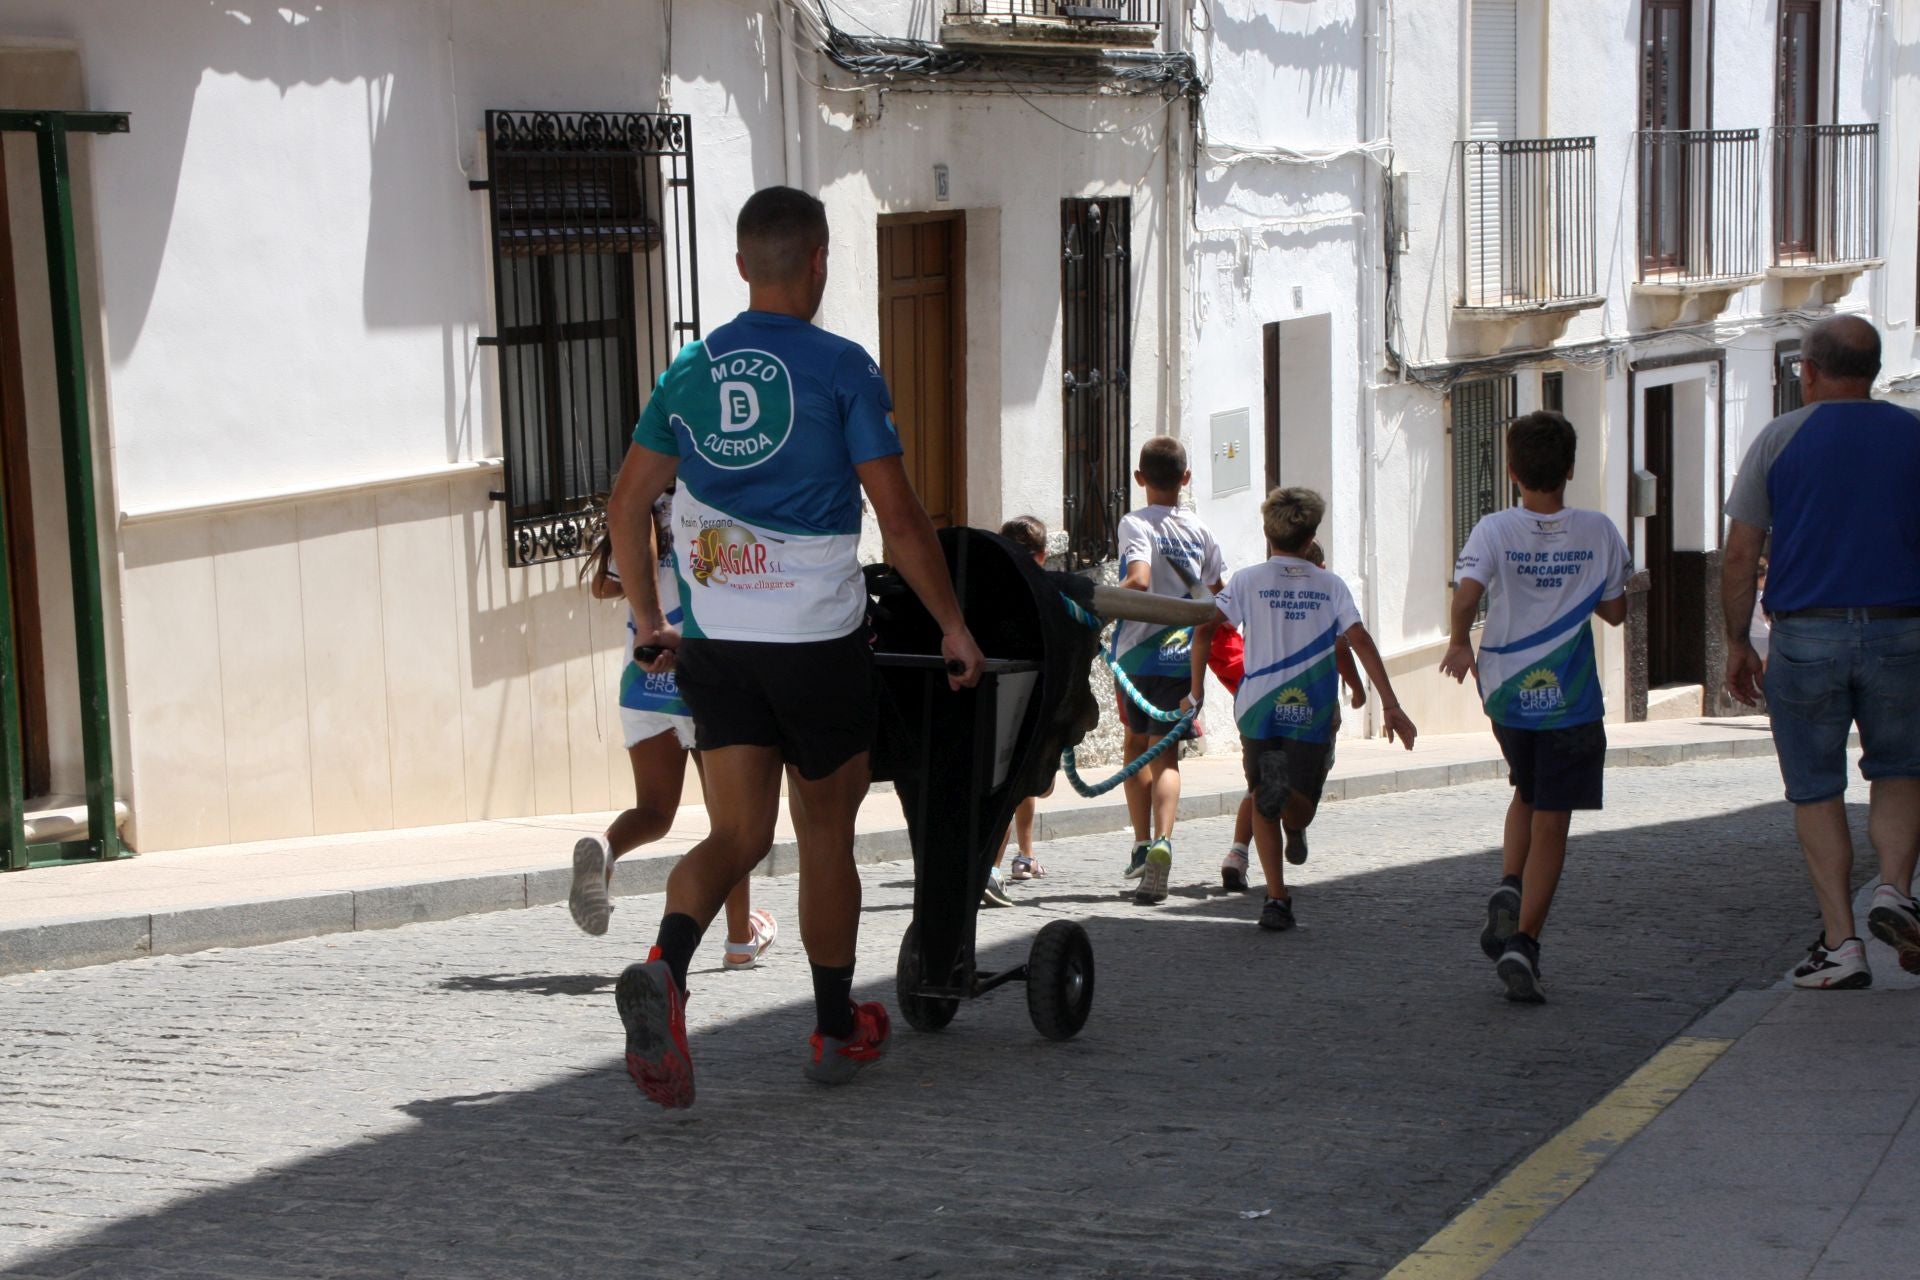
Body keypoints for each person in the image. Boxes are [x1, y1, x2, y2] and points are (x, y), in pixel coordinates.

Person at [605, 185, 986, 1108]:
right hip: (817, 641)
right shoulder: (843, 369)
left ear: (741, 265)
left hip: (718, 643)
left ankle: (667, 964)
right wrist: (951, 624)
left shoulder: (688, 372)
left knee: (736, 832)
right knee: (826, 832)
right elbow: (897, 521)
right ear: (820, 261)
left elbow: (624, 510)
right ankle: (831, 1027)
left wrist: (655, 623)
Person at [1722, 315, 1920, 990]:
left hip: (1806, 635)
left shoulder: (1779, 439)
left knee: (1816, 787)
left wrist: (1735, 641)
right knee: (1900, 769)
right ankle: (1894, 888)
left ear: (1807, 370)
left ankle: (1843, 941)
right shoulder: (1913, 436)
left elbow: (1742, 551)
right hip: (1903, 629)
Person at [1441, 411, 1629, 1003]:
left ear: (1512, 470)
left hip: (1505, 693)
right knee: (1554, 818)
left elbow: (1467, 595)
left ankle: (1509, 881)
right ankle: (1525, 942)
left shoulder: (1494, 529)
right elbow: (1618, 611)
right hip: (1571, 700)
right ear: (1570, 469)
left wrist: (1457, 642)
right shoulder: (1598, 531)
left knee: (1525, 788)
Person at [1189, 488, 1416, 930]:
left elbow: (1203, 629)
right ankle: (1276, 898)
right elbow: (1361, 640)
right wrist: (1390, 703)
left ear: (1267, 531)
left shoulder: (1289, 582)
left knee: (1295, 806)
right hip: (1279, 710)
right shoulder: (1281, 582)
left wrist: (1195, 689)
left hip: (1288, 709)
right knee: (1264, 797)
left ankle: (1295, 828)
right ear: (1311, 536)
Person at [567, 497, 777, 971]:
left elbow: (604, 585)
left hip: (642, 680)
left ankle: (604, 850)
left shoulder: (642, 517)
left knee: (654, 810)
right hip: (702, 676)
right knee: (733, 826)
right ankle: (740, 939)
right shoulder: (713, 510)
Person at [1214, 539, 1367, 892]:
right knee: (1293, 789)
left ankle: (1239, 854)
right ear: (1319, 566)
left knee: (1259, 789)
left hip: (1263, 703)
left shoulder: (1258, 585)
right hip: (1314, 708)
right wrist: (1358, 689)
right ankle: (1292, 828)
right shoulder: (1326, 590)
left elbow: (1212, 624)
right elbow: (1343, 647)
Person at [1113, 437, 1227, 906]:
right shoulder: (1200, 529)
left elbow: (1138, 579)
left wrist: (1100, 603)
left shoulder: (1135, 523)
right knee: (1168, 756)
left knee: (1135, 747)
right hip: (1183, 655)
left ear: (1139, 479)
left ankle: (1142, 844)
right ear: (1186, 478)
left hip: (1139, 652)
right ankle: (1161, 841)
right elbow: (1217, 589)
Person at [982, 515, 1052, 909]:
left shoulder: (982, 585)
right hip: (1021, 698)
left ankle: (1019, 855)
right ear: (1042, 556)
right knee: (1010, 783)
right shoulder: (1046, 592)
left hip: (981, 692)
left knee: (1016, 782)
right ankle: (991, 868)